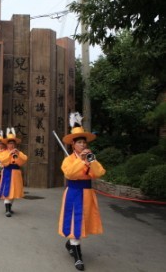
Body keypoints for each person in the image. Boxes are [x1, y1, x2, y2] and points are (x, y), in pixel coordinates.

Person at [59, 112, 106, 271]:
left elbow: (99, 173)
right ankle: (78, 257)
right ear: (73, 145)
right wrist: (80, 161)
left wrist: (91, 161)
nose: (83, 145)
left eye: (84, 143)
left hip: (87, 194)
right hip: (73, 193)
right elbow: (70, 173)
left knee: (83, 222)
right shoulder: (68, 160)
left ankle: (70, 243)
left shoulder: (90, 157)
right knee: (75, 223)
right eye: (79, 143)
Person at [0, 129, 27, 217]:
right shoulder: (4, 152)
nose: (11, 145)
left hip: (16, 173)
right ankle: (7, 209)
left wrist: (18, 153)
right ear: (7, 144)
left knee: (14, 191)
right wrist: (9, 154)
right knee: (8, 191)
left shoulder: (18, 152)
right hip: (8, 172)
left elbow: (25, 159)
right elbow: (2, 160)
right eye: (10, 143)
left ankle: (10, 207)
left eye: (13, 143)